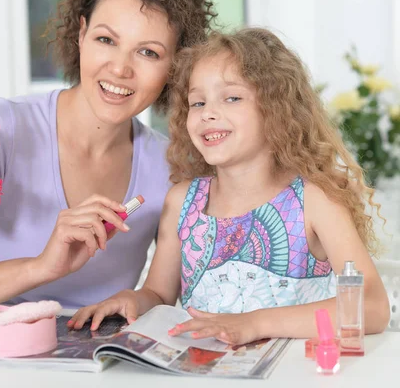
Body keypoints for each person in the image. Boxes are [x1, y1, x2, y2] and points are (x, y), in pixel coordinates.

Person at [0, 0, 216, 315]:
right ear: (81, 34)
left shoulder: (172, 167)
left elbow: (164, 295)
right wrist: (40, 267)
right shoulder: (2, 129)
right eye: (106, 40)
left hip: (100, 360)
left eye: (148, 52)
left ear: (175, 66)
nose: (121, 69)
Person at [68, 28, 391, 345]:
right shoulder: (183, 201)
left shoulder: (314, 200)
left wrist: (253, 323)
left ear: (277, 110)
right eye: (197, 103)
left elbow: (374, 308)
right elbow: (160, 295)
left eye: (232, 98)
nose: (208, 113)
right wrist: (133, 300)